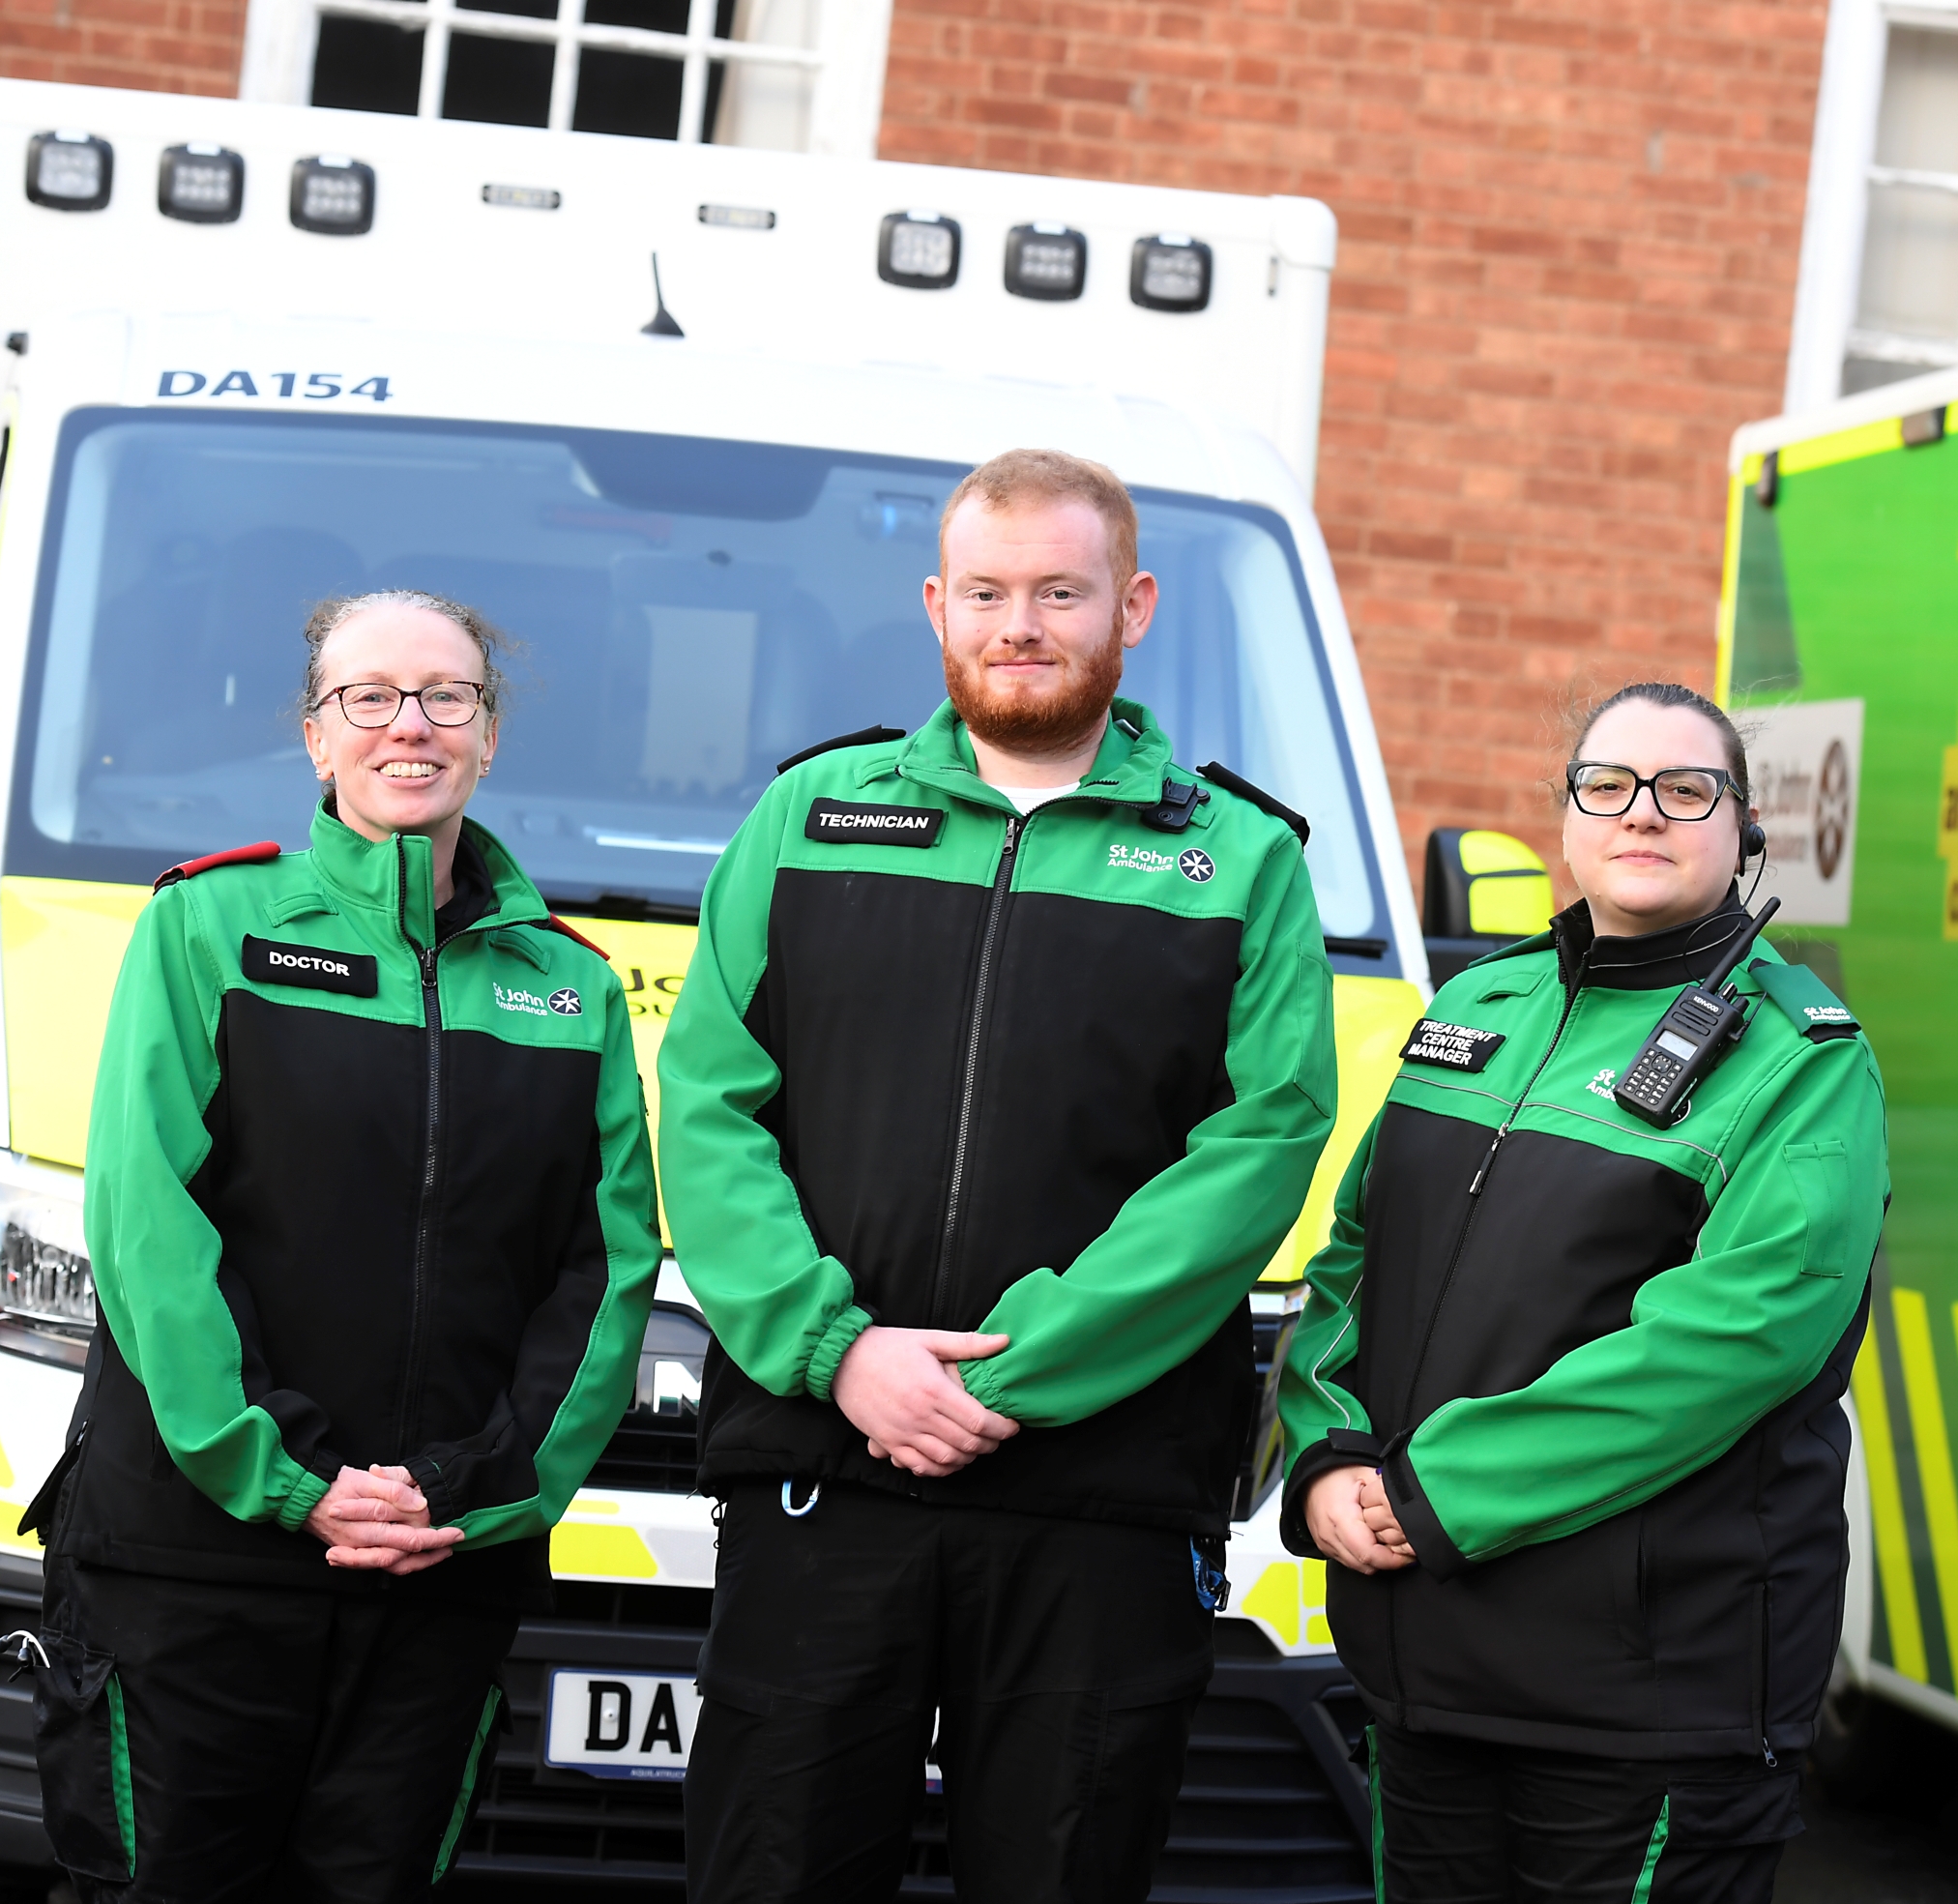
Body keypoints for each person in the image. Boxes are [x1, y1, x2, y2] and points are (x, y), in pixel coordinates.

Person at [658, 448, 1338, 1903]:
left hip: (1096, 1500)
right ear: (937, 606)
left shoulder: (1240, 858)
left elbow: (1264, 1139)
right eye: (985, 592)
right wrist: (837, 1353)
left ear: (1132, 605)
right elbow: (710, 1106)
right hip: (826, 1471)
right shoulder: (808, 818)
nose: (1017, 623)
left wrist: (1012, 1369)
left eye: (1057, 591)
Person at [20, 589, 661, 1901]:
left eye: (446, 697)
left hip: (439, 1564)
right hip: (198, 1557)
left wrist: (474, 1490)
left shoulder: (573, 987)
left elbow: (604, 1275)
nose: (408, 725)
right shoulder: (206, 929)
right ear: (317, 737)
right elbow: (149, 1232)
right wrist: (288, 1476)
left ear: (490, 736)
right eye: (369, 696)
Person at [1276, 681, 1888, 1903]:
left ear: (1743, 827)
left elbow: (1731, 1343)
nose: (1642, 814)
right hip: (1429, 1666)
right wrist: (1327, 1449)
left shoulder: (1805, 1061)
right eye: (1607, 785)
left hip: (1648, 1699)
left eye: (1687, 790)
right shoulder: (1473, 1008)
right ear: (1566, 822)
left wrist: (1436, 1488)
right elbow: (1350, 1259)